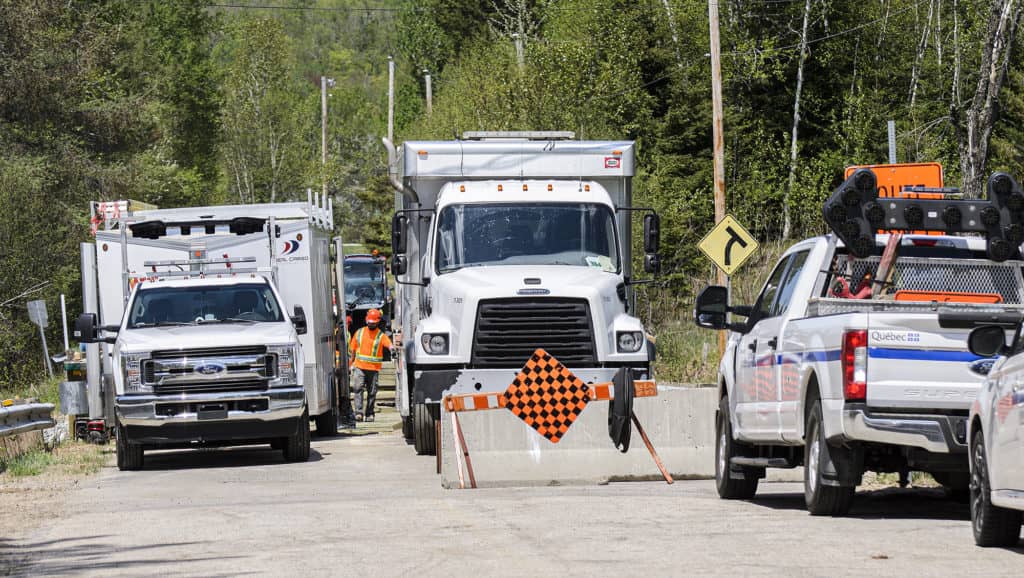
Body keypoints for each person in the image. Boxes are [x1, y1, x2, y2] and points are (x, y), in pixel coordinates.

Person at [347, 308, 393, 422]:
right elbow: (352, 350)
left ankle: (369, 414)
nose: (371, 324)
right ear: (366, 320)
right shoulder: (360, 332)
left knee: (372, 392)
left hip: (373, 369)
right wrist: (350, 364)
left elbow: (389, 344)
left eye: (373, 323)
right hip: (360, 366)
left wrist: (392, 348)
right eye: (369, 322)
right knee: (358, 388)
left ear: (377, 322)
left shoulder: (380, 336)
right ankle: (358, 413)